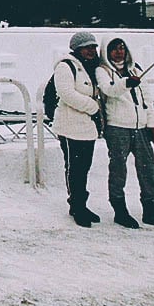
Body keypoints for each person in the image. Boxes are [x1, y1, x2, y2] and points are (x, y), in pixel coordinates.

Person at [97, 37, 154, 229]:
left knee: (148, 169)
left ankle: (151, 211)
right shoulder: (102, 71)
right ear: (107, 51)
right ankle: (120, 211)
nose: (119, 52)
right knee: (118, 170)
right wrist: (126, 83)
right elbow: (109, 90)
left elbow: (146, 99)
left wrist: (152, 124)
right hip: (117, 128)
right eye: (114, 48)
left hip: (140, 128)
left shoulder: (136, 69)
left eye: (122, 48)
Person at [52, 31, 104, 227]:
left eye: (93, 47)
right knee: (74, 169)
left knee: (84, 167)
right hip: (69, 126)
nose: (91, 50)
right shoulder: (66, 66)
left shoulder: (91, 68)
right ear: (77, 49)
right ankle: (76, 205)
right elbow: (66, 93)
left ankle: (81, 203)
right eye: (87, 47)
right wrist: (93, 107)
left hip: (87, 128)